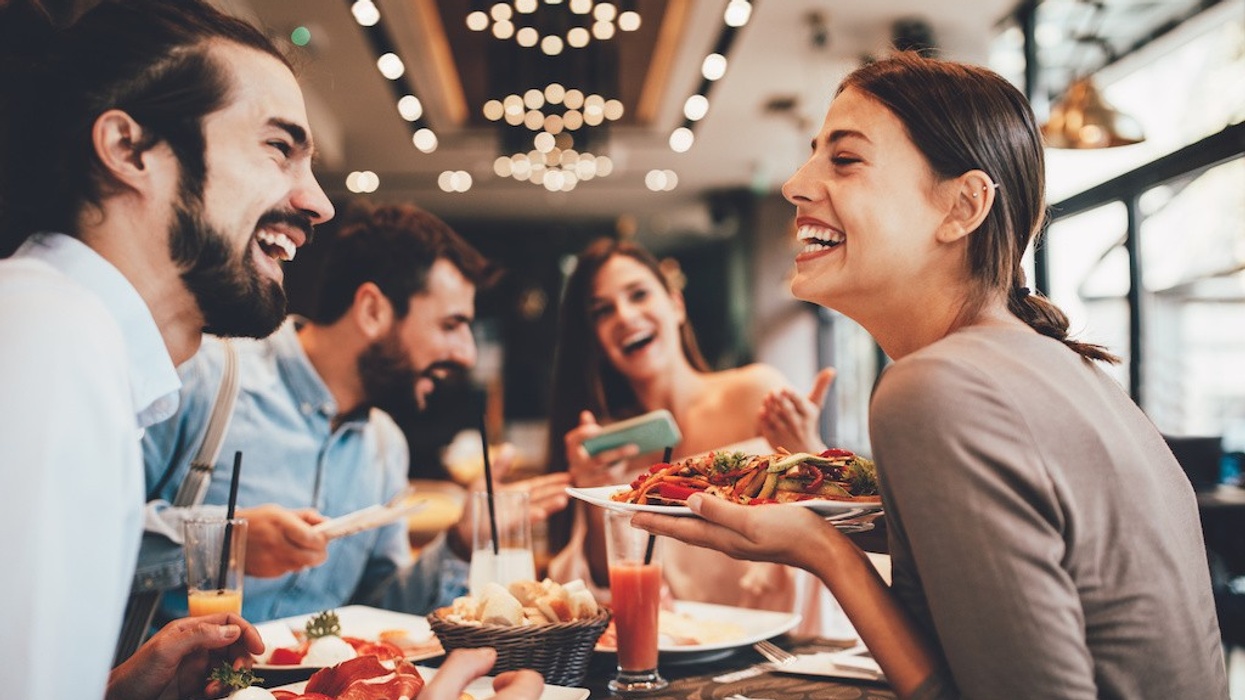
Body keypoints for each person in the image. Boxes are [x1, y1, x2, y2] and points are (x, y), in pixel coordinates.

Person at [632, 51, 1229, 699]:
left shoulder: (935, 386)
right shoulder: (1068, 371)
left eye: (844, 159)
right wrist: (835, 514)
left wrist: (825, 551)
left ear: (961, 207)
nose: (794, 185)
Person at [0, 2, 542, 698]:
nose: (317, 202)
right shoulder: (51, 342)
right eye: (278, 147)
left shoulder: (78, 344)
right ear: (130, 150)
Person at [142, 203, 571, 624]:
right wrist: (226, 543)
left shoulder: (385, 445)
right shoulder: (204, 377)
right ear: (372, 311)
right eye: (450, 325)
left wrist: (461, 543)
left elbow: (382, 613)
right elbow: (87, 533)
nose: (467, 353)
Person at [544, 238, 844, 633]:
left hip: (784, 637)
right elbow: (608, 579)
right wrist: (591, 490)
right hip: (674, 655)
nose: (625, 316)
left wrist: (810, 452)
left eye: (638, 295)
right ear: (595, 339)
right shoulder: (610, 448)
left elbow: (830, 527)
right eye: (603, 311)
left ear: (676, 304)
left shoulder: (754, 394)